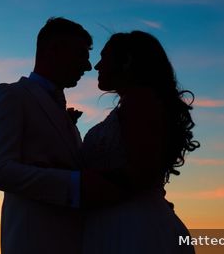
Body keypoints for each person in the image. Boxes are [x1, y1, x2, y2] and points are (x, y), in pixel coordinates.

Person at [80, 31, 199, 253]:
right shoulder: (136, 103)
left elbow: (142, 172)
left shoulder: (141, 101)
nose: (97, 66)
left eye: (105, 57)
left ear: (126, 62)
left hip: (132, 230)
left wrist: (77, 181)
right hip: (123, 222)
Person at [0, 17, 94, 254]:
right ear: (53, 50)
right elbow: (0, 171)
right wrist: (77, 185)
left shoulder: (62, 111)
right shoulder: (11, 95)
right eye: (81, 55)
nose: (87, 66)